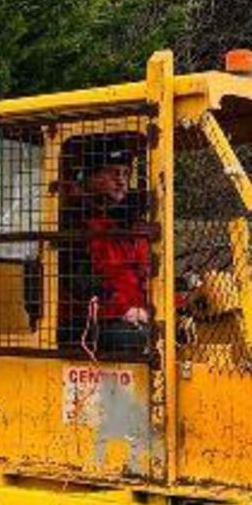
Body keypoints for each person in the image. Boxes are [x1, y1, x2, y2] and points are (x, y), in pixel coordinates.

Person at [76, 147, 151, 355]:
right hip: (99, 321)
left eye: (126, 174)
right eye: (113, 173)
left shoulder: (132, 222)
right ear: (92, 177)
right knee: (143, 338)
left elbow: (145, 274)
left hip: (137, 314)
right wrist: (124, 310)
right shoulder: (76, 222)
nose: (121, 181)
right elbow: (81, 283)